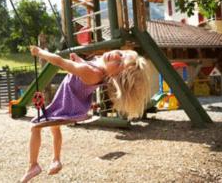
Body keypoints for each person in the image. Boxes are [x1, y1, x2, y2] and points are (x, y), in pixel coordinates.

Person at [20, 46, 151, 182]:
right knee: (54, 127)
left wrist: (40, 52)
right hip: (68, 101)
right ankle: (56, 160)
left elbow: (60, 61)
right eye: (121, 54)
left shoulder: (92, 72)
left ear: (114, 76)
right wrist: (79, 60)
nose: (115, 56)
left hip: (68, 104)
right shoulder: (98, 69)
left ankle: (33, 165)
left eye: (119, 63)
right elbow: (87, 68)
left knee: (35, 126)